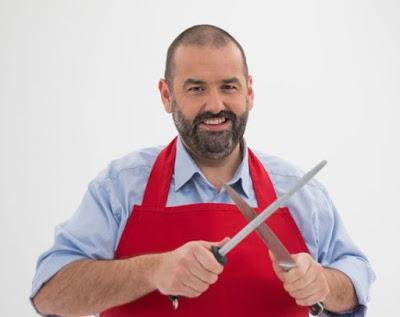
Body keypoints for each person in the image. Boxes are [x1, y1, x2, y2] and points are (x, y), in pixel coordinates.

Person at [31, 24, 375, 317]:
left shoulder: (300, 190)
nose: (215, 105)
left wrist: (324, 283)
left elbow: (356, 277)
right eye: (196, 88)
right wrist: (153, 270)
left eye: (229, 86)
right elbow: (49, 293)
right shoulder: (119, 186)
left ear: (250, 92)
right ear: (167, 96)